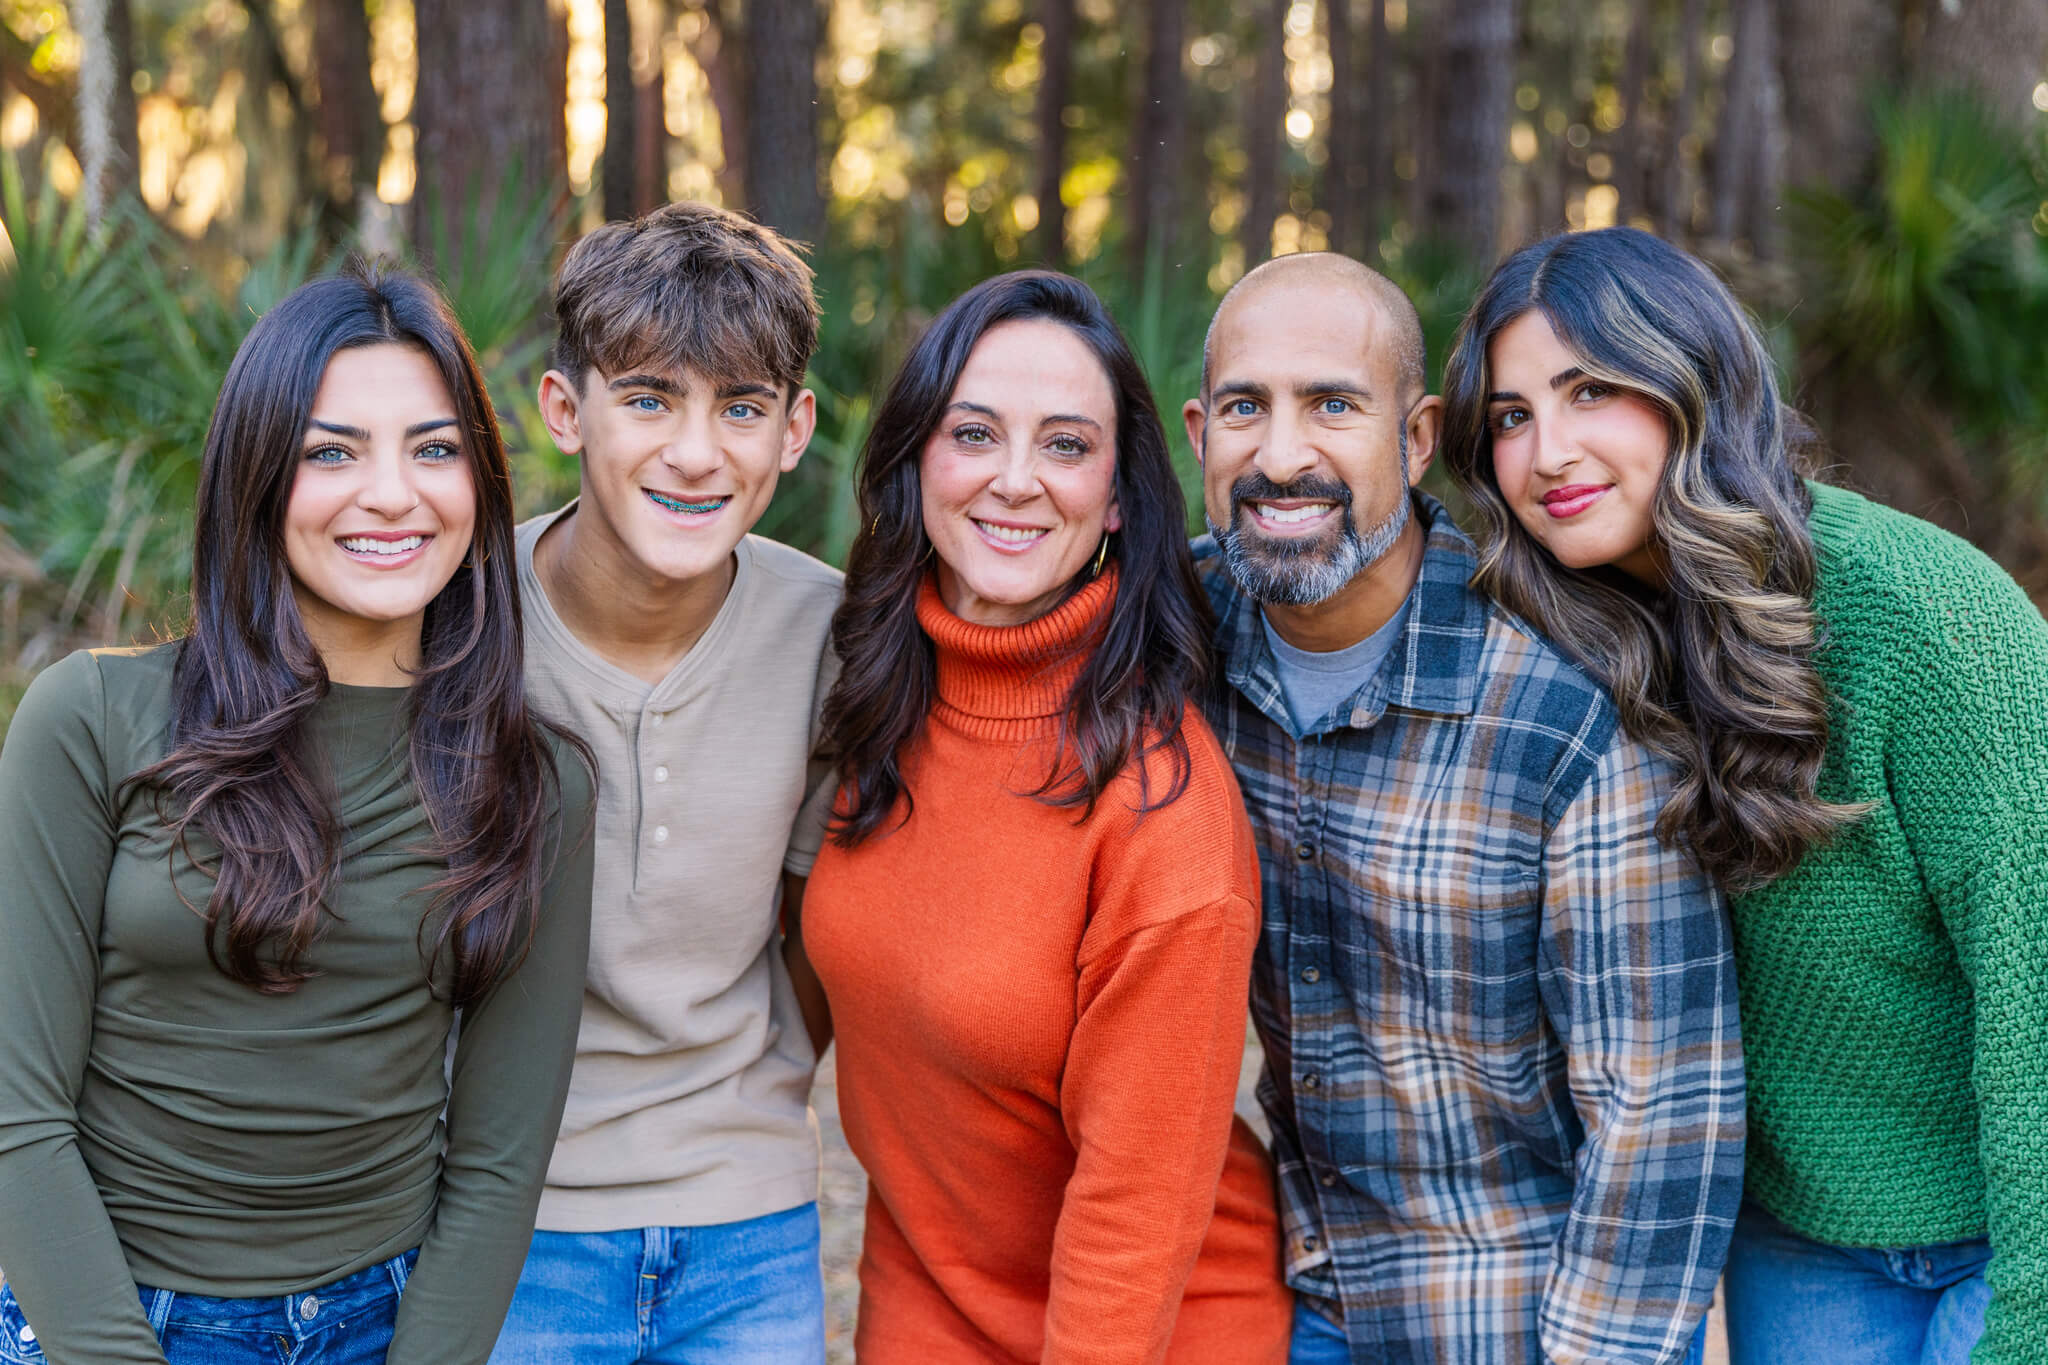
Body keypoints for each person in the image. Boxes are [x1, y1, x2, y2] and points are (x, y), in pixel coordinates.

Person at [1439, 225, 2048, 1365]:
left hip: (2008, 1234)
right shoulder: (1564, 647)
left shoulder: (1929, 625)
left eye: (1589, 391)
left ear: (1692, 385)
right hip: (1800, 1241)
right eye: (1510, 417)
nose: (1548, 452)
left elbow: (2038, 1006)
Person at [0, 263, 595, 1365]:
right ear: (259, 476)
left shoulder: (534, 780)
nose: (392, 494)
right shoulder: (89, 717)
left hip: (381, 1324)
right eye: (333, 452)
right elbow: (15, 1114)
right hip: (104, 1316)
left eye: (433, 449)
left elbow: (500, 1158)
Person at [1184, 250, 1743, 1365]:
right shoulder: (1177, 634)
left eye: (1332, 405)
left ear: (1420, 435)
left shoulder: (1558, 711)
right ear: (1198, 434)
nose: (1280, 454)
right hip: (1310, 1294)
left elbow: (1664, 1116)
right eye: (1247, 406)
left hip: (1529, 1320)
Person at [800, 270, 1292, 1363]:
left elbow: (1134, 1211)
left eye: (1065, 446)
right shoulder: (879, 699)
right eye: (973, 433)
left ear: (1117, 494)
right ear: (916, 458)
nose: (1015, 481)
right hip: (925, 1296)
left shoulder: (1160, 802)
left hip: (1148, 1332)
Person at [487, 202, 842, 1365]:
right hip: (507, 1220)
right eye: (648, 398)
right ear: (563, 410)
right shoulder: (457, 618)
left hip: (750, 1220)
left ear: (792, 431)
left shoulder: (829, 631)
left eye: (739, 408)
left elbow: (814, 924)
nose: (696, 453)